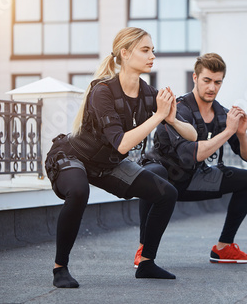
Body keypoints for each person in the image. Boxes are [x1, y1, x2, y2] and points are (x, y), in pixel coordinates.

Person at [45, 27, 197, 287]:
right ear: (125, 54)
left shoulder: (148, 93)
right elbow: (122, 144)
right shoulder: (102, 91)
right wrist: (158, 116)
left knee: (166, 193)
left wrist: (170, 118)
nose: (152, 56)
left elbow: (192, 135)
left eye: (153, 50)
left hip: (108, 165)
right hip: (73, 157)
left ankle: (146, 262)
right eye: (145, 50)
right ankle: (60, 268)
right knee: (79, 191)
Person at [135, 53, 247, 268]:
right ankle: (144, 248)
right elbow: (191, 153)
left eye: (217, 82)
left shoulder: (221, 113)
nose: (212, 87)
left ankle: (223, 248)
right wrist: (228, 131)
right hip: (165, 180)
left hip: (194, 178)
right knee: (153, 174)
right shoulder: (179, 109)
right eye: (207, 80)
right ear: (195, 78)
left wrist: (239, 133)